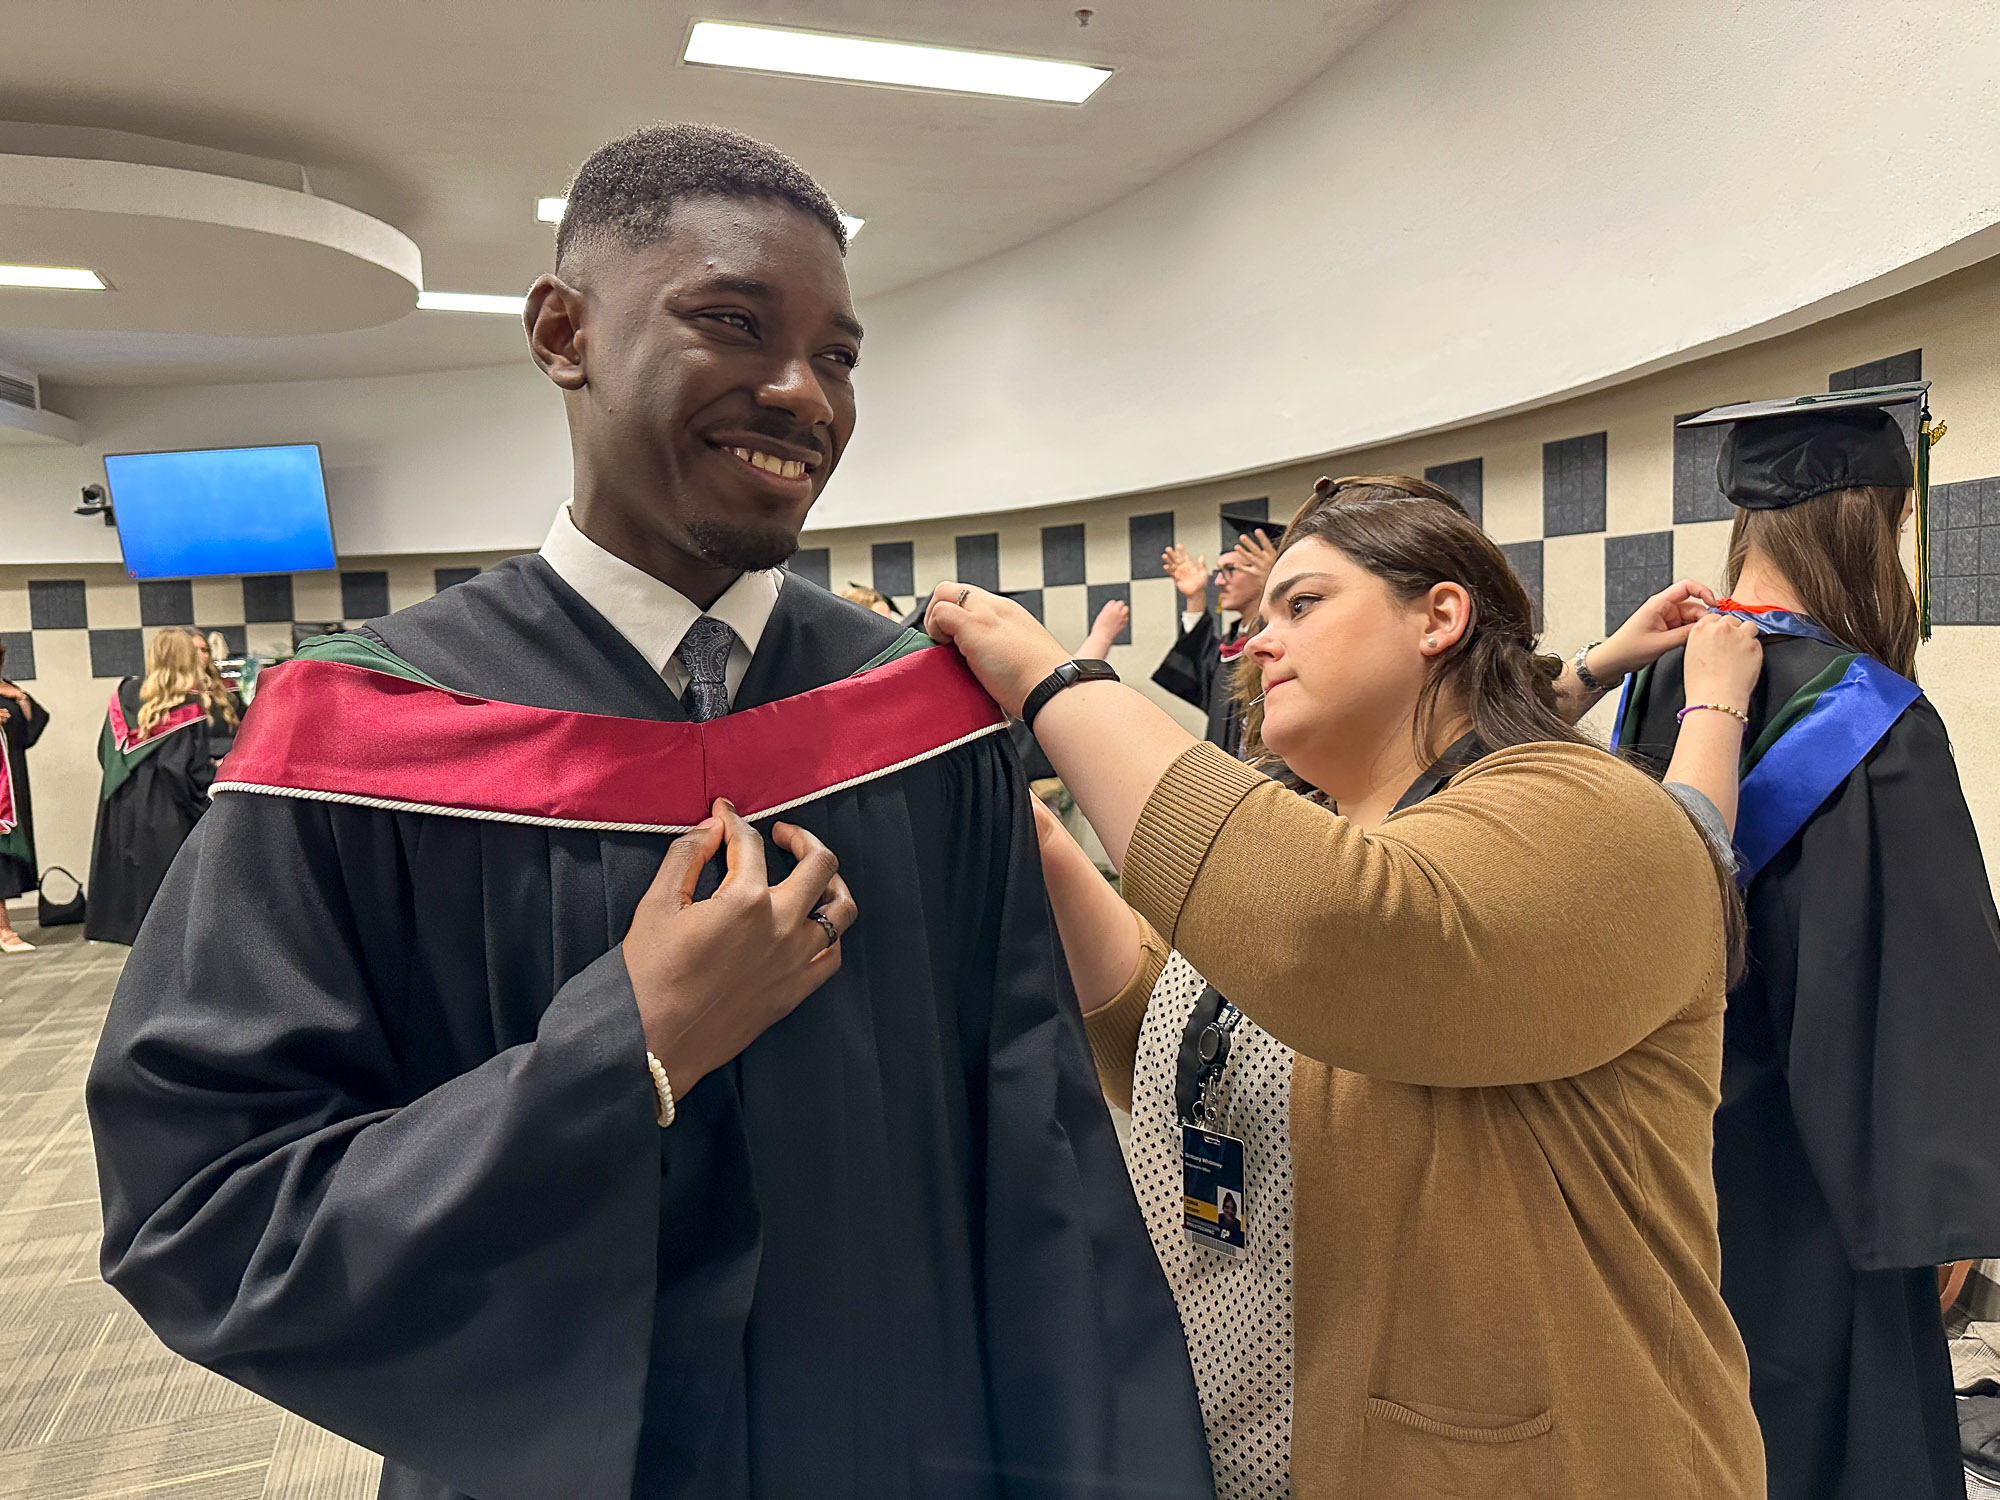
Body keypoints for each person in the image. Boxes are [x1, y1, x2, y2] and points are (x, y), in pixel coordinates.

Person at [87, 123, 1210, 1500]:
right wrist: (627, 1057)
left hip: (905, 1445)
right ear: (564, 331)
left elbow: (1042, 1159)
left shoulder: (917, 722)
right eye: (731, 321)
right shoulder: (359, 737)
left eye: (841, 354)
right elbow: (204, 1210)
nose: (804, 392)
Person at [928, 476, 1767, 1497]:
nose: (1256, 641)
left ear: (1440, 616)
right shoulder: (1348, 833)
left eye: (1303, 603)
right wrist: (1039, 838)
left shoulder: (1592, 818)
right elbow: (1180, 1034)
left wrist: (1056, 688)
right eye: (1261, 612)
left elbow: (1341, 938)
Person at [1610, 384, 2000, 1500]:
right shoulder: (1872, 716)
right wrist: (1940, 1206)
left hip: (1668, 1147)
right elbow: (1919, 984)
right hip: (1814, 1172)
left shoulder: (1659, 682)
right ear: (1870, 527)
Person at [84, 626, 222, 945]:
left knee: (135, 900)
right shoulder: (188, 708)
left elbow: (104, 755)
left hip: (121, 808)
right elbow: (186, 773)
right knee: (170, 902)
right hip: (168, 814)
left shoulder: (123, 696)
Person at [1154, 506, 1280, 757]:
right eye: (1219, 571)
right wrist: (1195, 598)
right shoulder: (1231, 645)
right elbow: (1200, 677)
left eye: (1229, 570)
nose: (1219, 581)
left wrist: (1277, 587)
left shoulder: (1279, 644)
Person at [0, 639, 49, 954]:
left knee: (6, 852)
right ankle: (3, 930)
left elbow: (28, 731)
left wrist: (22, 699)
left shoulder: (7, 687)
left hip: (10, 781)